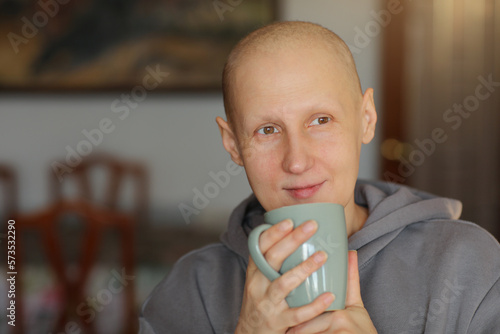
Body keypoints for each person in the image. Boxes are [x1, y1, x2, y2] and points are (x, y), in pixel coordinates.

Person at [138, 21, 500, 333]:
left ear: (366, 119)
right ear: (232, 144)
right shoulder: (190, 289)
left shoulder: (469, 264)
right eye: (267, 130)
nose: (296, 162)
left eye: (321, 120)